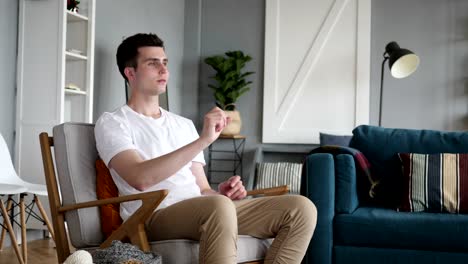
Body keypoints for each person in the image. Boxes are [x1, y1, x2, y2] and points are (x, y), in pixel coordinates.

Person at [95, 33, 317, 264]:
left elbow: (202, 190)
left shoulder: (183, 124)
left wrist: (220, 194)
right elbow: (140, 178)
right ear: (130, 73)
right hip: (152, 215)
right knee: (217, 207)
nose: (163, 70)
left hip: (202, 210)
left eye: (165, 62)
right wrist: (203, 141)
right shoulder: (113, 122)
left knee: (301, 208)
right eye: (153, 63)